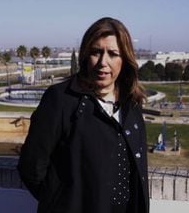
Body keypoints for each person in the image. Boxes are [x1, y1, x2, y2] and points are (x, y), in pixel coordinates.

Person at [17, 17, 149, 213]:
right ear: (86, 56)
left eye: (113, 54)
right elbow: (31, 166)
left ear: (125, 59)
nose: (103, 62)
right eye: (96, 52)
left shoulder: (132, 105)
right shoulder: (61, 99)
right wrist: (61, 201)